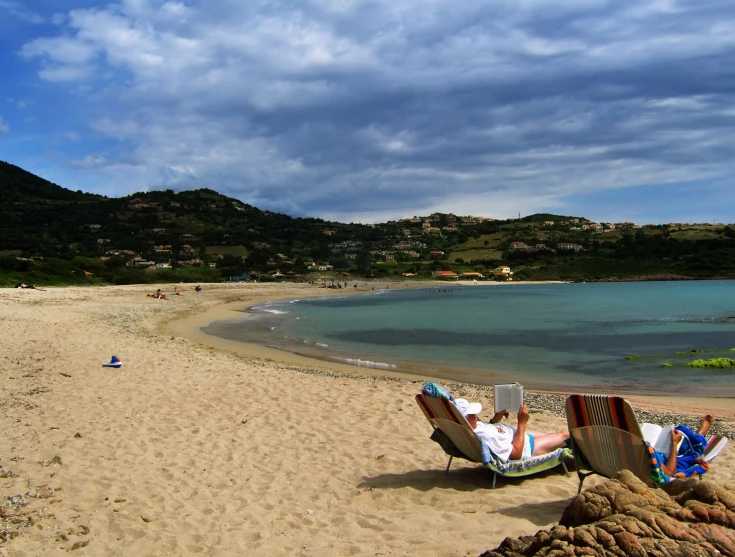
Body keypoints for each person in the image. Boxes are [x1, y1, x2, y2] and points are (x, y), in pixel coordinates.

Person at [454, 399, 569, 462]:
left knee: (553, 435)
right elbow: (516, 454)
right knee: (565, 435)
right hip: (527, 447)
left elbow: (487, 430)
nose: (476, 416)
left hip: (519, 436)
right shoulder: (485, 437)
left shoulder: (469, 428)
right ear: (466, 419)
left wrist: (495, 420)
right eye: (472, 414)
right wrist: (522, 422)